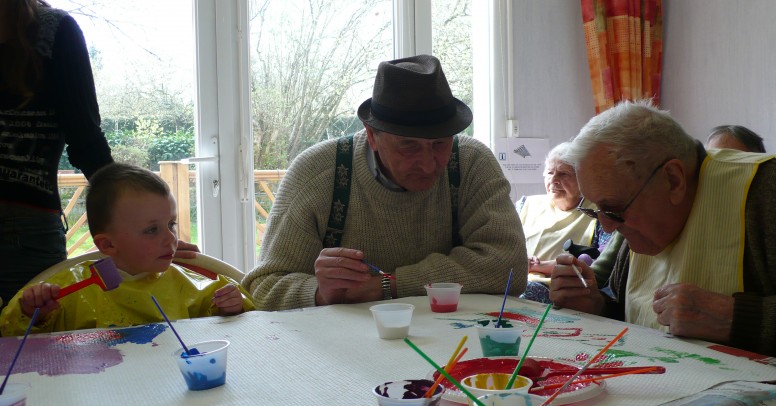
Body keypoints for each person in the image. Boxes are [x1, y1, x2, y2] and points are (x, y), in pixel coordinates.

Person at [242, 54, 528, 311]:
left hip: (453, 340)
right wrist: (319, 293)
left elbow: (509, 266)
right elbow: (264, 287)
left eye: (440, 144)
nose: (429, 165)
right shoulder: (318, 172)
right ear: (372, 135)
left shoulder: (471, 162)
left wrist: (389, 284)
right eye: (409, 146)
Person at [548, 100, 776, 362]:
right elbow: (637, 318)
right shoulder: (631, 216)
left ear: (673, 180)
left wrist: (735, 318)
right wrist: (595, 306)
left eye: (613, 209)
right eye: (596, 210)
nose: (607, 226)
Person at [0, 1, 200, 310]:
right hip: (27, 224)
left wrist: (146, 232)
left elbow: (86, 141)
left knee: (39, 323)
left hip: (26, 228)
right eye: (155, 228)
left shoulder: (52, 30)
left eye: (169, 226)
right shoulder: (54, 29)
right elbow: (86, 140)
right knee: (35, 332)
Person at [0, 163, 255, 336]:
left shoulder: (185, 284)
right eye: (152, 230)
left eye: (171, 224)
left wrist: (231, 306)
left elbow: (243, 321)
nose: (171, 238)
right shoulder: (67, 290)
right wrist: (32, 312)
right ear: (108, 245)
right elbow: (12, 336)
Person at [516, 142, 612, 302]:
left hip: (561, 291)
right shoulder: (525, 205)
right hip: (514, 282)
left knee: (527, 293)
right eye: (549, 173)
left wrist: (537, 266)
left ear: (582, 179)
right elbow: (502, 245)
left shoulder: (598, 213)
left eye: (563, 174)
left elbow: (600, 263)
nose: (554, 180)